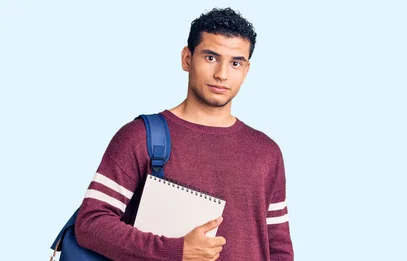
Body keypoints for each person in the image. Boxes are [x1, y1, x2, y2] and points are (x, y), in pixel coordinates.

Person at [73, 7, 294, 261]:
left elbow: (279, 248)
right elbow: (91, 224)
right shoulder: (140, 137)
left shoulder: (267, 152)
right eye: (211, 58)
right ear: (187, 58)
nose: (222, 74)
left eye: (235, 63)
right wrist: (175, 251)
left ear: (245, 71)